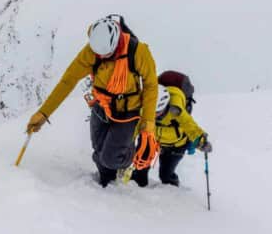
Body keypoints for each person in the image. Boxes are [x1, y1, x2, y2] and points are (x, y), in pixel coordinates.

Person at [26, 15, 159, 187]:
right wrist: (43, 113)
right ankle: (106, 178)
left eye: (108, 54)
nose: (103, 57)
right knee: (98, 149)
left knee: (110, 156)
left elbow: (150, 85)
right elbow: (68, 81)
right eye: (100, 54)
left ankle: (126, 159)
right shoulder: (91, 52)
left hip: (128, 111)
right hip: (101, 105)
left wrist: (148, 121)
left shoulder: (138, 51)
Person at [151, 81, 211, 187]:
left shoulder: (176, 110)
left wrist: (202, 141)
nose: (154, 116)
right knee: (140, 166)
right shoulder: (148, 105)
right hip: (156, 140)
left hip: (176, 146)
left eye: (157, 113)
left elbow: (189, 125)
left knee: (165, 176)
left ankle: (176, 193)